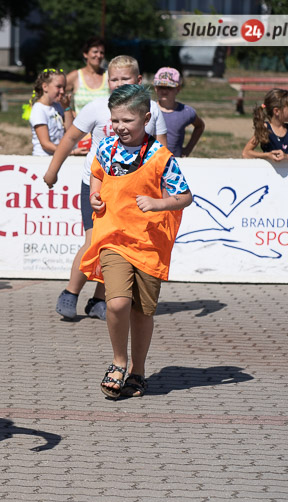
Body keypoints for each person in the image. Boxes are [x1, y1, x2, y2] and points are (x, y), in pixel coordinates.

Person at [81, 84, 192, 399]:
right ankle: (118, 362)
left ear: (146, 119)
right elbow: (98, 174)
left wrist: (158, 204)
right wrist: (94, 194)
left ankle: (138, 371)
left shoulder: (161, 157)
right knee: (116, 303)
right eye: (115, 120)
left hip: (148, 244)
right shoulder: (107, 148)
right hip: (113, 237)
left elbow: (185, 196)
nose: (119, 127)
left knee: (143, 312)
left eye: (127, 121)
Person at [43, 55, 168, 322]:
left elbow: (162, 153)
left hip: (134, 191)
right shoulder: (96, 108)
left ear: (138, 80)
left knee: (120, 246)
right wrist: (53, 170)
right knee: (93, 241)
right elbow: (70, 139)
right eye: (113, 79)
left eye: (125, 79)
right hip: (96, 184)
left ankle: (100, 299)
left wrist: (163, 194)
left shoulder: (153, 110)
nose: (118, 83)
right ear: (106, 81)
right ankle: (70, 292)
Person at [153, 67, 205, 158]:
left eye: (169, 87)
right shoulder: (148, 109)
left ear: (178, 89)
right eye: (161, 87)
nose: (164, 91)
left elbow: (199, 126)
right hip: (150, 162)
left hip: (175, 163)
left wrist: (188, 149)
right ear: (155, 88)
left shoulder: (186, 112)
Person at [28, 69, 74, 157]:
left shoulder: (58, 106)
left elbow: (70, 132)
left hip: (57, 156)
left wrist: (67, 108)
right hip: (43, 158)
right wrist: (70, 152)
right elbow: (45, 144)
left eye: (64, 87)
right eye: (58, 87)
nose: (62, 91)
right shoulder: (39, 109)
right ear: (45, 87)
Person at [242, 88, 288, 162]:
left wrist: (287, 156)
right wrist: (267, 155)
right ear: (276, 111)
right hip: (268, 173)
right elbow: (246, 153)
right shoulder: (265, 128)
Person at [66, 37, 109, 116]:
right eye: (95, 52)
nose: (99, 55)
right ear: (85, 54)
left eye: (102, 53)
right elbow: (56, 93)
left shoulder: (109, 76)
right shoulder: (76, 76)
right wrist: (70, 113)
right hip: (80, 127)